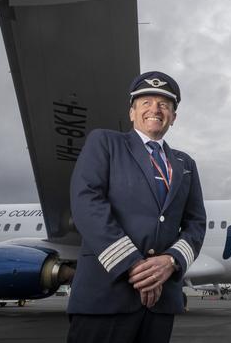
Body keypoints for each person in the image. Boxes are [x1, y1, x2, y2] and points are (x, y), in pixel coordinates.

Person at [66, 71, 207, 343]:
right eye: (146, 102)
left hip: (161, 302)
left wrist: (171, 262)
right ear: (132, 112)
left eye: (164, 104)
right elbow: (86, 202)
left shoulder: (185, 164)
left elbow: (196, 223)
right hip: (107, 295)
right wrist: (133, 266)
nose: (155, 109)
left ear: (173, 118)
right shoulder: (105, 143)